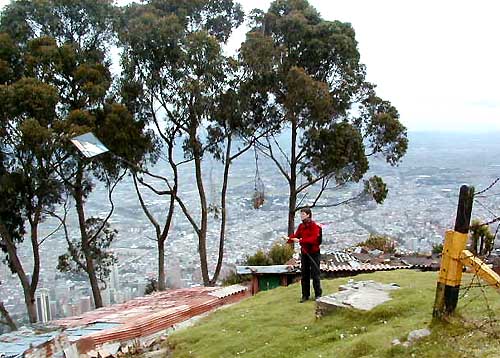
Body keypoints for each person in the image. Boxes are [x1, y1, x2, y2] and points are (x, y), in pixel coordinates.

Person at [286, 207, 322, 302]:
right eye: (301, 214)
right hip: (305, 253)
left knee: (315, 274)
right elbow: (296, 235)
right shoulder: (301, 226)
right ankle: (305, 295)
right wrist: (289, 239)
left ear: (308, 215)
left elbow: (314, 239)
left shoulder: (314, 226)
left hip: (314, 253)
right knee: (304, 274)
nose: (301, 216)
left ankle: (318, 294)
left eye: (303, 214)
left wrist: (301, 240)